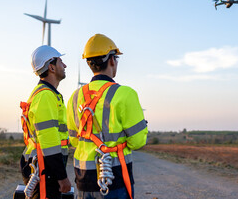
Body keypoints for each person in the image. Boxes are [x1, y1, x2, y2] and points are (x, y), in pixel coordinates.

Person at [67, 34, 148, 199]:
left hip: (83, 180)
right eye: (116, 58)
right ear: (111, 60)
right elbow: (138, 141)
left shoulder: (74, 97)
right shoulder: (125, 94)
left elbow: (74, 140)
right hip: (114, 179)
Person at [20, 45, 71, 199]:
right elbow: (49, 141)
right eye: (61, 62)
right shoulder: (45, 96)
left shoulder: (49, 95)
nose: (65, 65)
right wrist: (62, 177)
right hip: (44, 167)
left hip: (45, 166)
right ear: (51, 67)